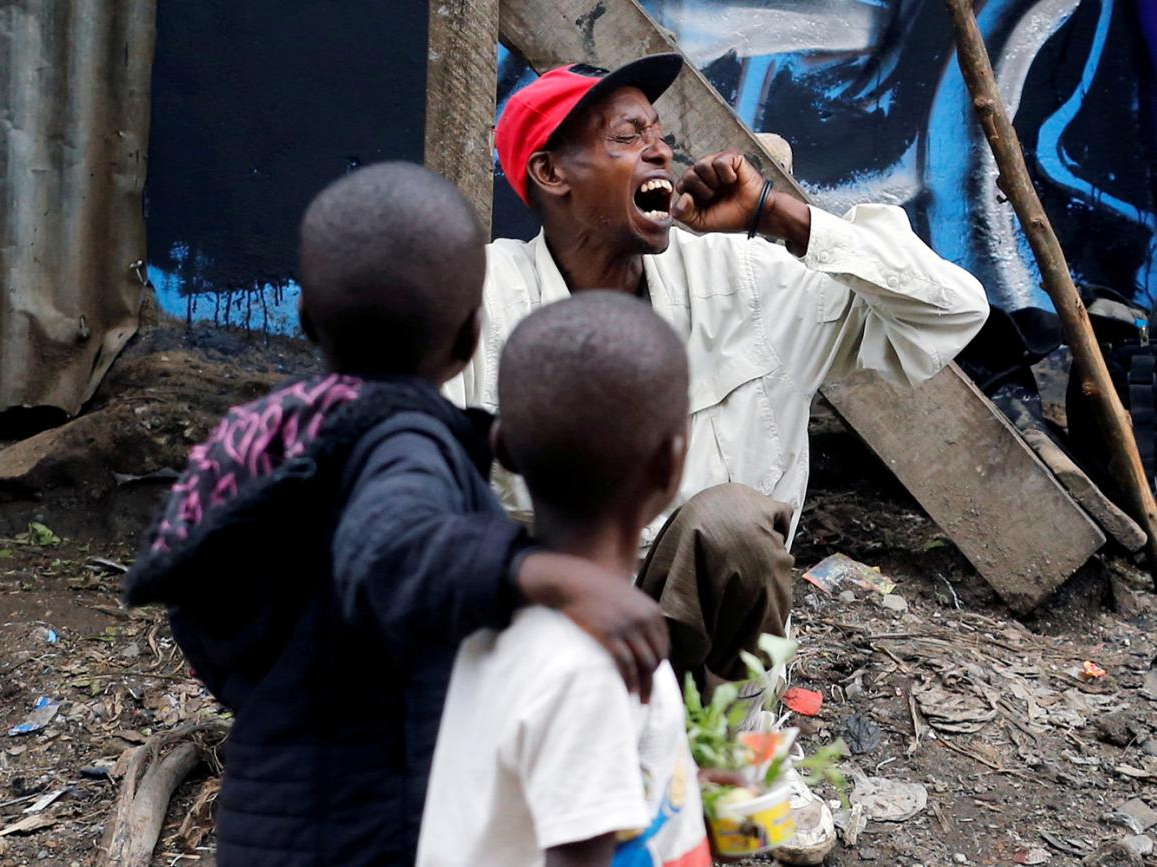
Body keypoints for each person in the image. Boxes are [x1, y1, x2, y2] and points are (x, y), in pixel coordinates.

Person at [443, 54, 990, 863]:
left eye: (662, 136)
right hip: (550, 663)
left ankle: (732, 757)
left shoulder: (741, 276)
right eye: (629, 136)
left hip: (709, 666)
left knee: (731, 524)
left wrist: (781, 215)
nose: (661, 153)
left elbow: (952, 312)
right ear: (550, 173)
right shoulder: (484, 303)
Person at [123, 162, 669, 867]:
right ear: (473, 335)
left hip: (271, 806)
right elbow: (388, 548)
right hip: (373, 823)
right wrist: (537, 571)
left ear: (306, 319)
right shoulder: (401, 442)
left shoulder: (282, 438)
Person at [419, 292, 712, 867]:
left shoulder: (489, 610)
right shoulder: (592, 667)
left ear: (503, 447)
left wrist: (680, 806)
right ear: (672, 462)